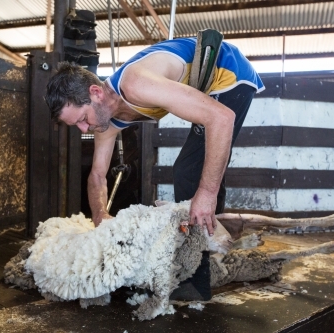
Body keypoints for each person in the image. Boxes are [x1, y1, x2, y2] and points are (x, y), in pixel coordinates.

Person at [45, 36, 264, 301]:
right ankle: (214, 246)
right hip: (205, 82)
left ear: (95, 93)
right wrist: (100, 217)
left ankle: (197, 279)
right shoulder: (104, 119)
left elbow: (221, 117)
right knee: (194, 165)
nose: (84, 129)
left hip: (228, 71)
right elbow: (98, 175)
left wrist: (206, 193)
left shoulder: (136, 85)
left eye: (82, 119)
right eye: (76, 126)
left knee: (187, 170)